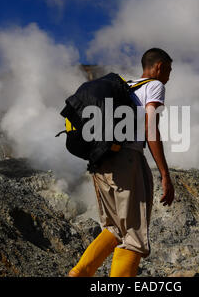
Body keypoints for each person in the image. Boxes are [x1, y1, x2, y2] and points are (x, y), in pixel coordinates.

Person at [68, 48, 175, 277]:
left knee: (115, 229)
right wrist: (165, 174)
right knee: (134, 236)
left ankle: (78, 274)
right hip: (127, 159)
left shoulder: (127, 87)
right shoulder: (154, 86)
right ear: (158, 66)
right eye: (169, 69)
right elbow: (150, 128)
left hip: (101, 160)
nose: (169, 75)